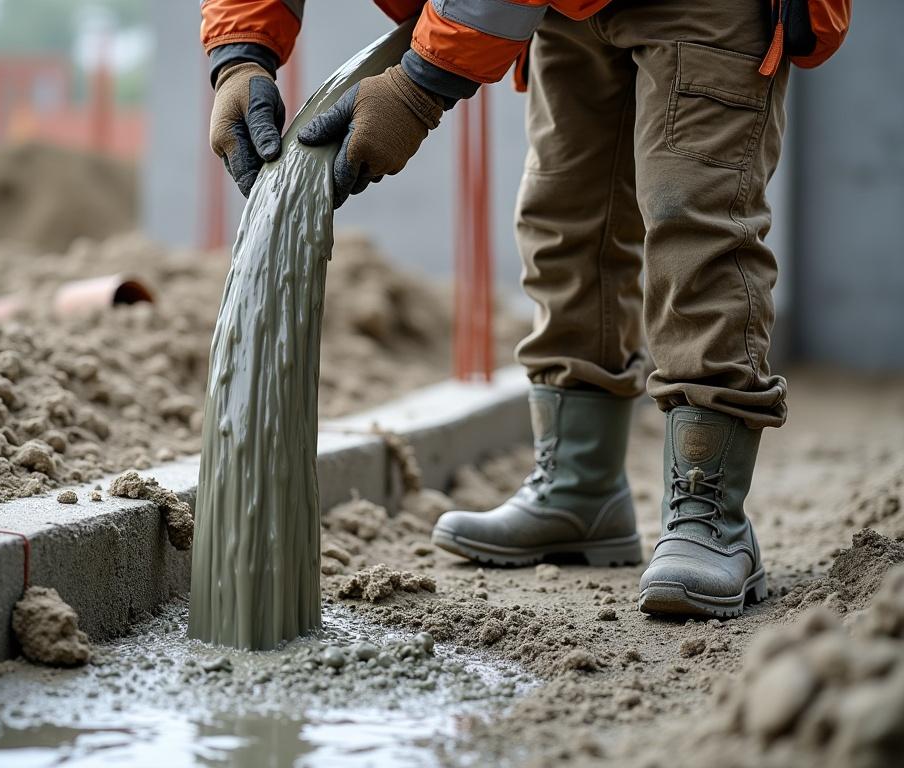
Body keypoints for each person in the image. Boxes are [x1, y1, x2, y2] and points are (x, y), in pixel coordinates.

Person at [199, 0, 850, 619]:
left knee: (695, 219)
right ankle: (578, 487)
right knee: (565, 220)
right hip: (568, 14)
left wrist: (420, 86)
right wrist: (239, 54)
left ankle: (713, 513)